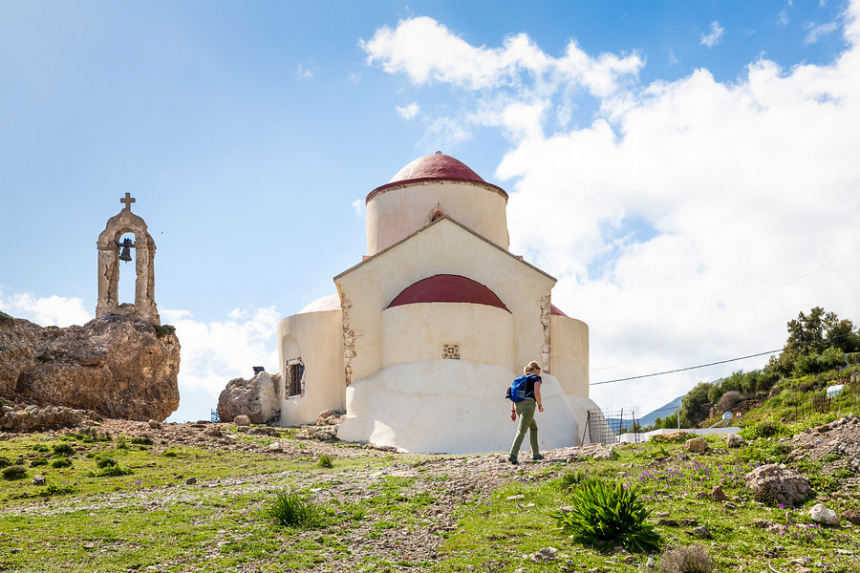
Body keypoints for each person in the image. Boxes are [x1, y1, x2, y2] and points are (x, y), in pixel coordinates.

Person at [508, 360, 544, 464]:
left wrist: (513, 411)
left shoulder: (519, 379)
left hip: (518, 406)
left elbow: (512, 395)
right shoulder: (536, 378)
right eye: (539, 368)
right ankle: (513, 454)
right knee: (521, 430)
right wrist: (540, 405)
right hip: (528, 405)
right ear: (535, 369)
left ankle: (536, 453)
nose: (540, 371)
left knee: (533, 427)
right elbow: (536, 392)